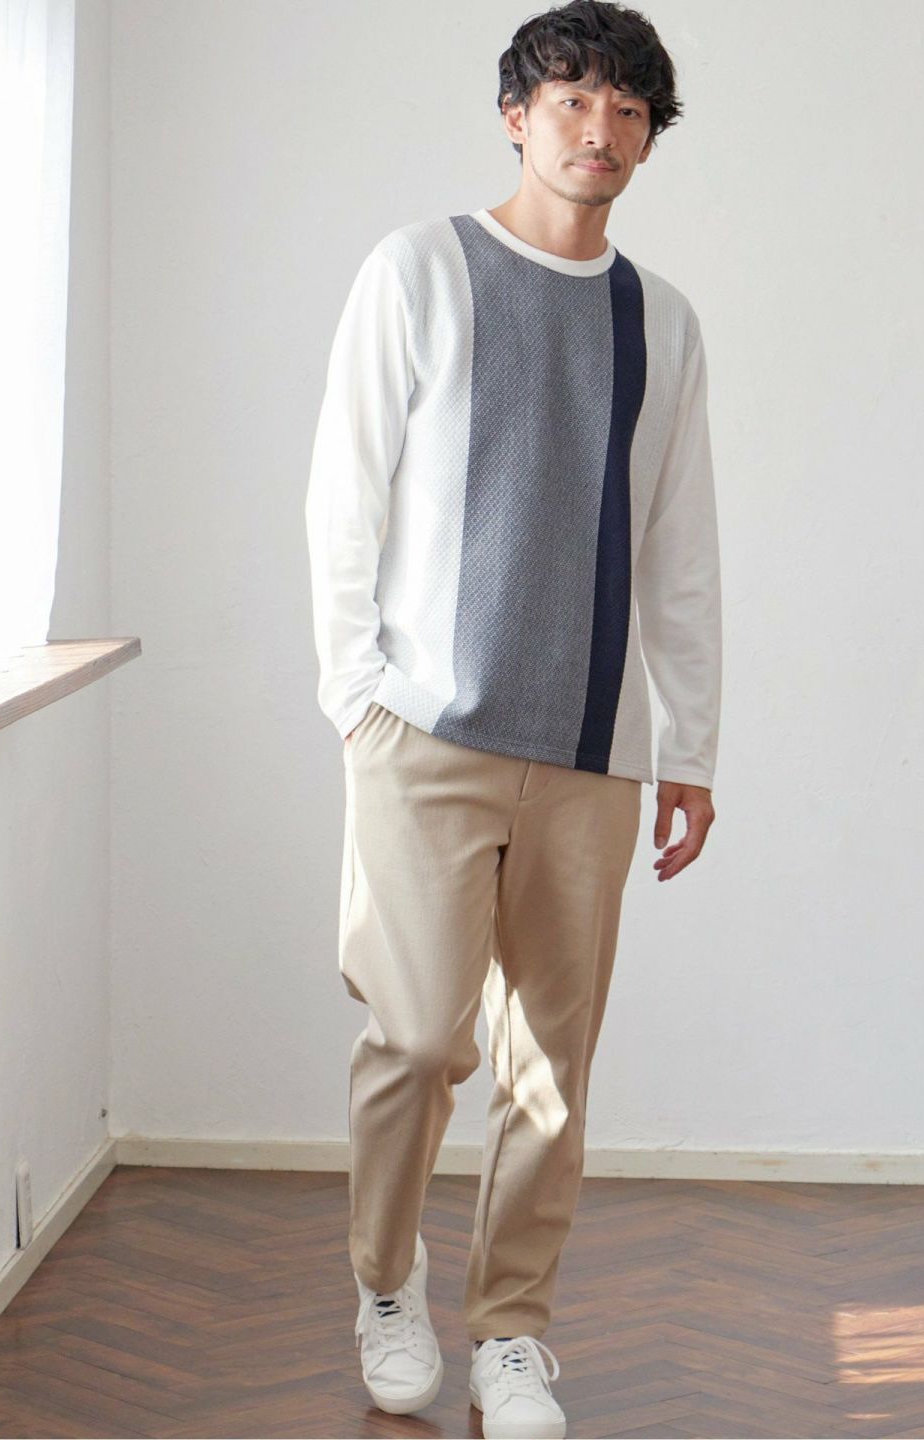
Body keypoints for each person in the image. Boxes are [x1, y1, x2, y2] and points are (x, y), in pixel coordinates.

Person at [304, 2, 721, 1435]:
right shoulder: (419, 270)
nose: (600, 130)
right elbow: (343, 496)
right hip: (424, 732)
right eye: (573, 101)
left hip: (593, 750)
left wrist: (689, 748)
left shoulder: (661, 321)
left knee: (552, 1067)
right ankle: (384, 1286)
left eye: (628, 111)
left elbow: (679, 545)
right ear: (517, 116)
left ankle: (513, 1331)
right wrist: (356, 698)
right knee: (418, 1040)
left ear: (648, 139)